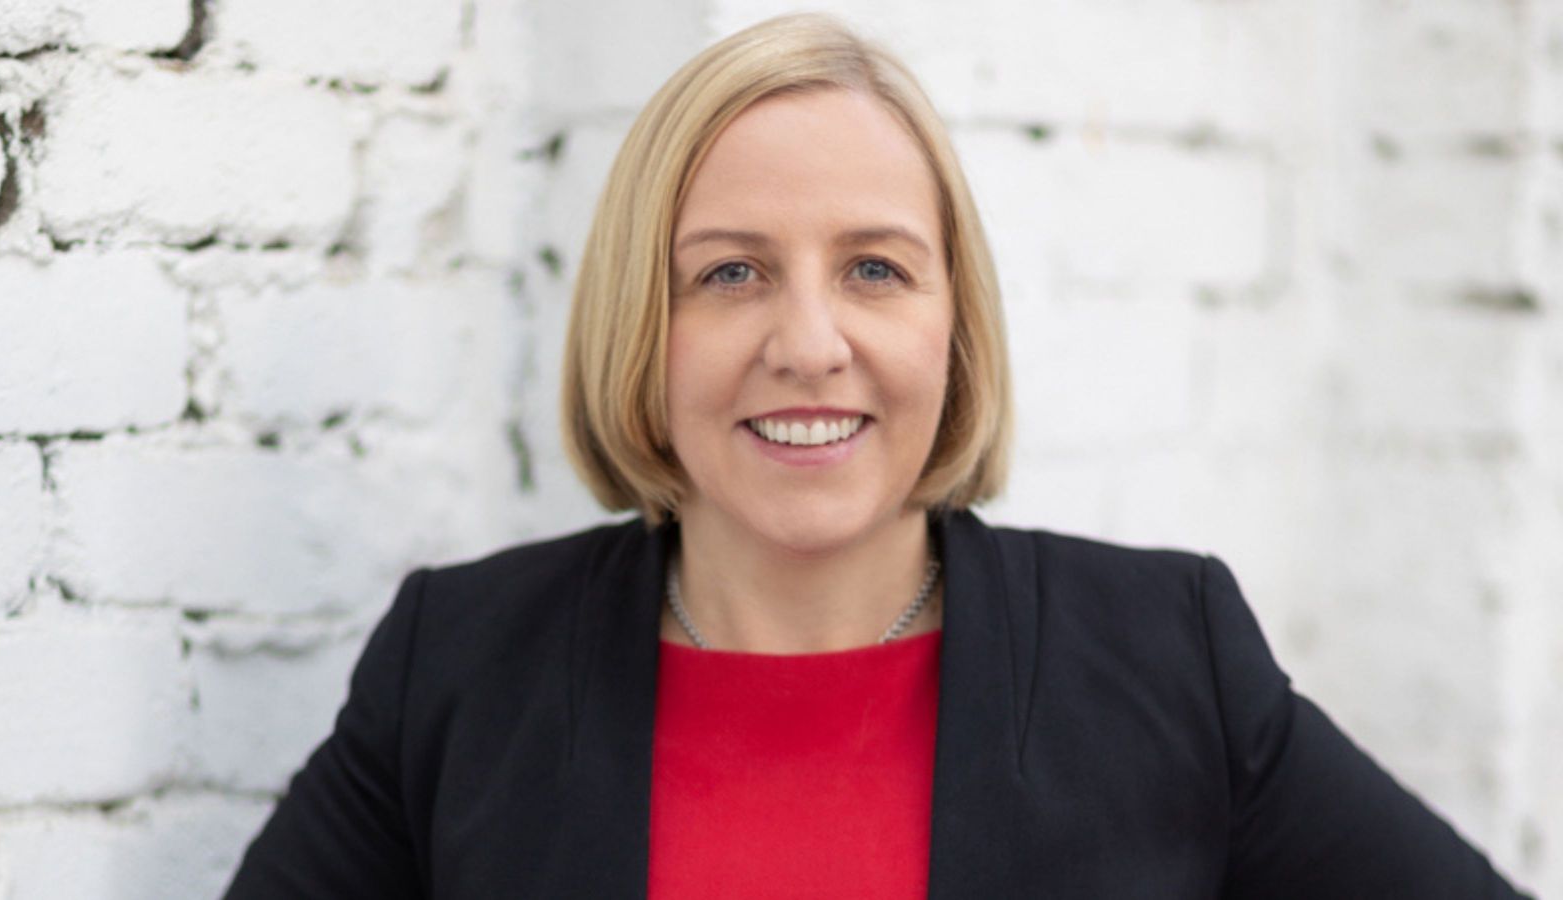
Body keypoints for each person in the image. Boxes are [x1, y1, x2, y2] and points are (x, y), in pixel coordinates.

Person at [223, 13, 1532, 899]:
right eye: (729, 272)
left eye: (875, 270)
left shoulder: (1163, 655)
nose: (810, 342)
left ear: (952, 324)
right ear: (641, 322)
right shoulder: (459, 668)